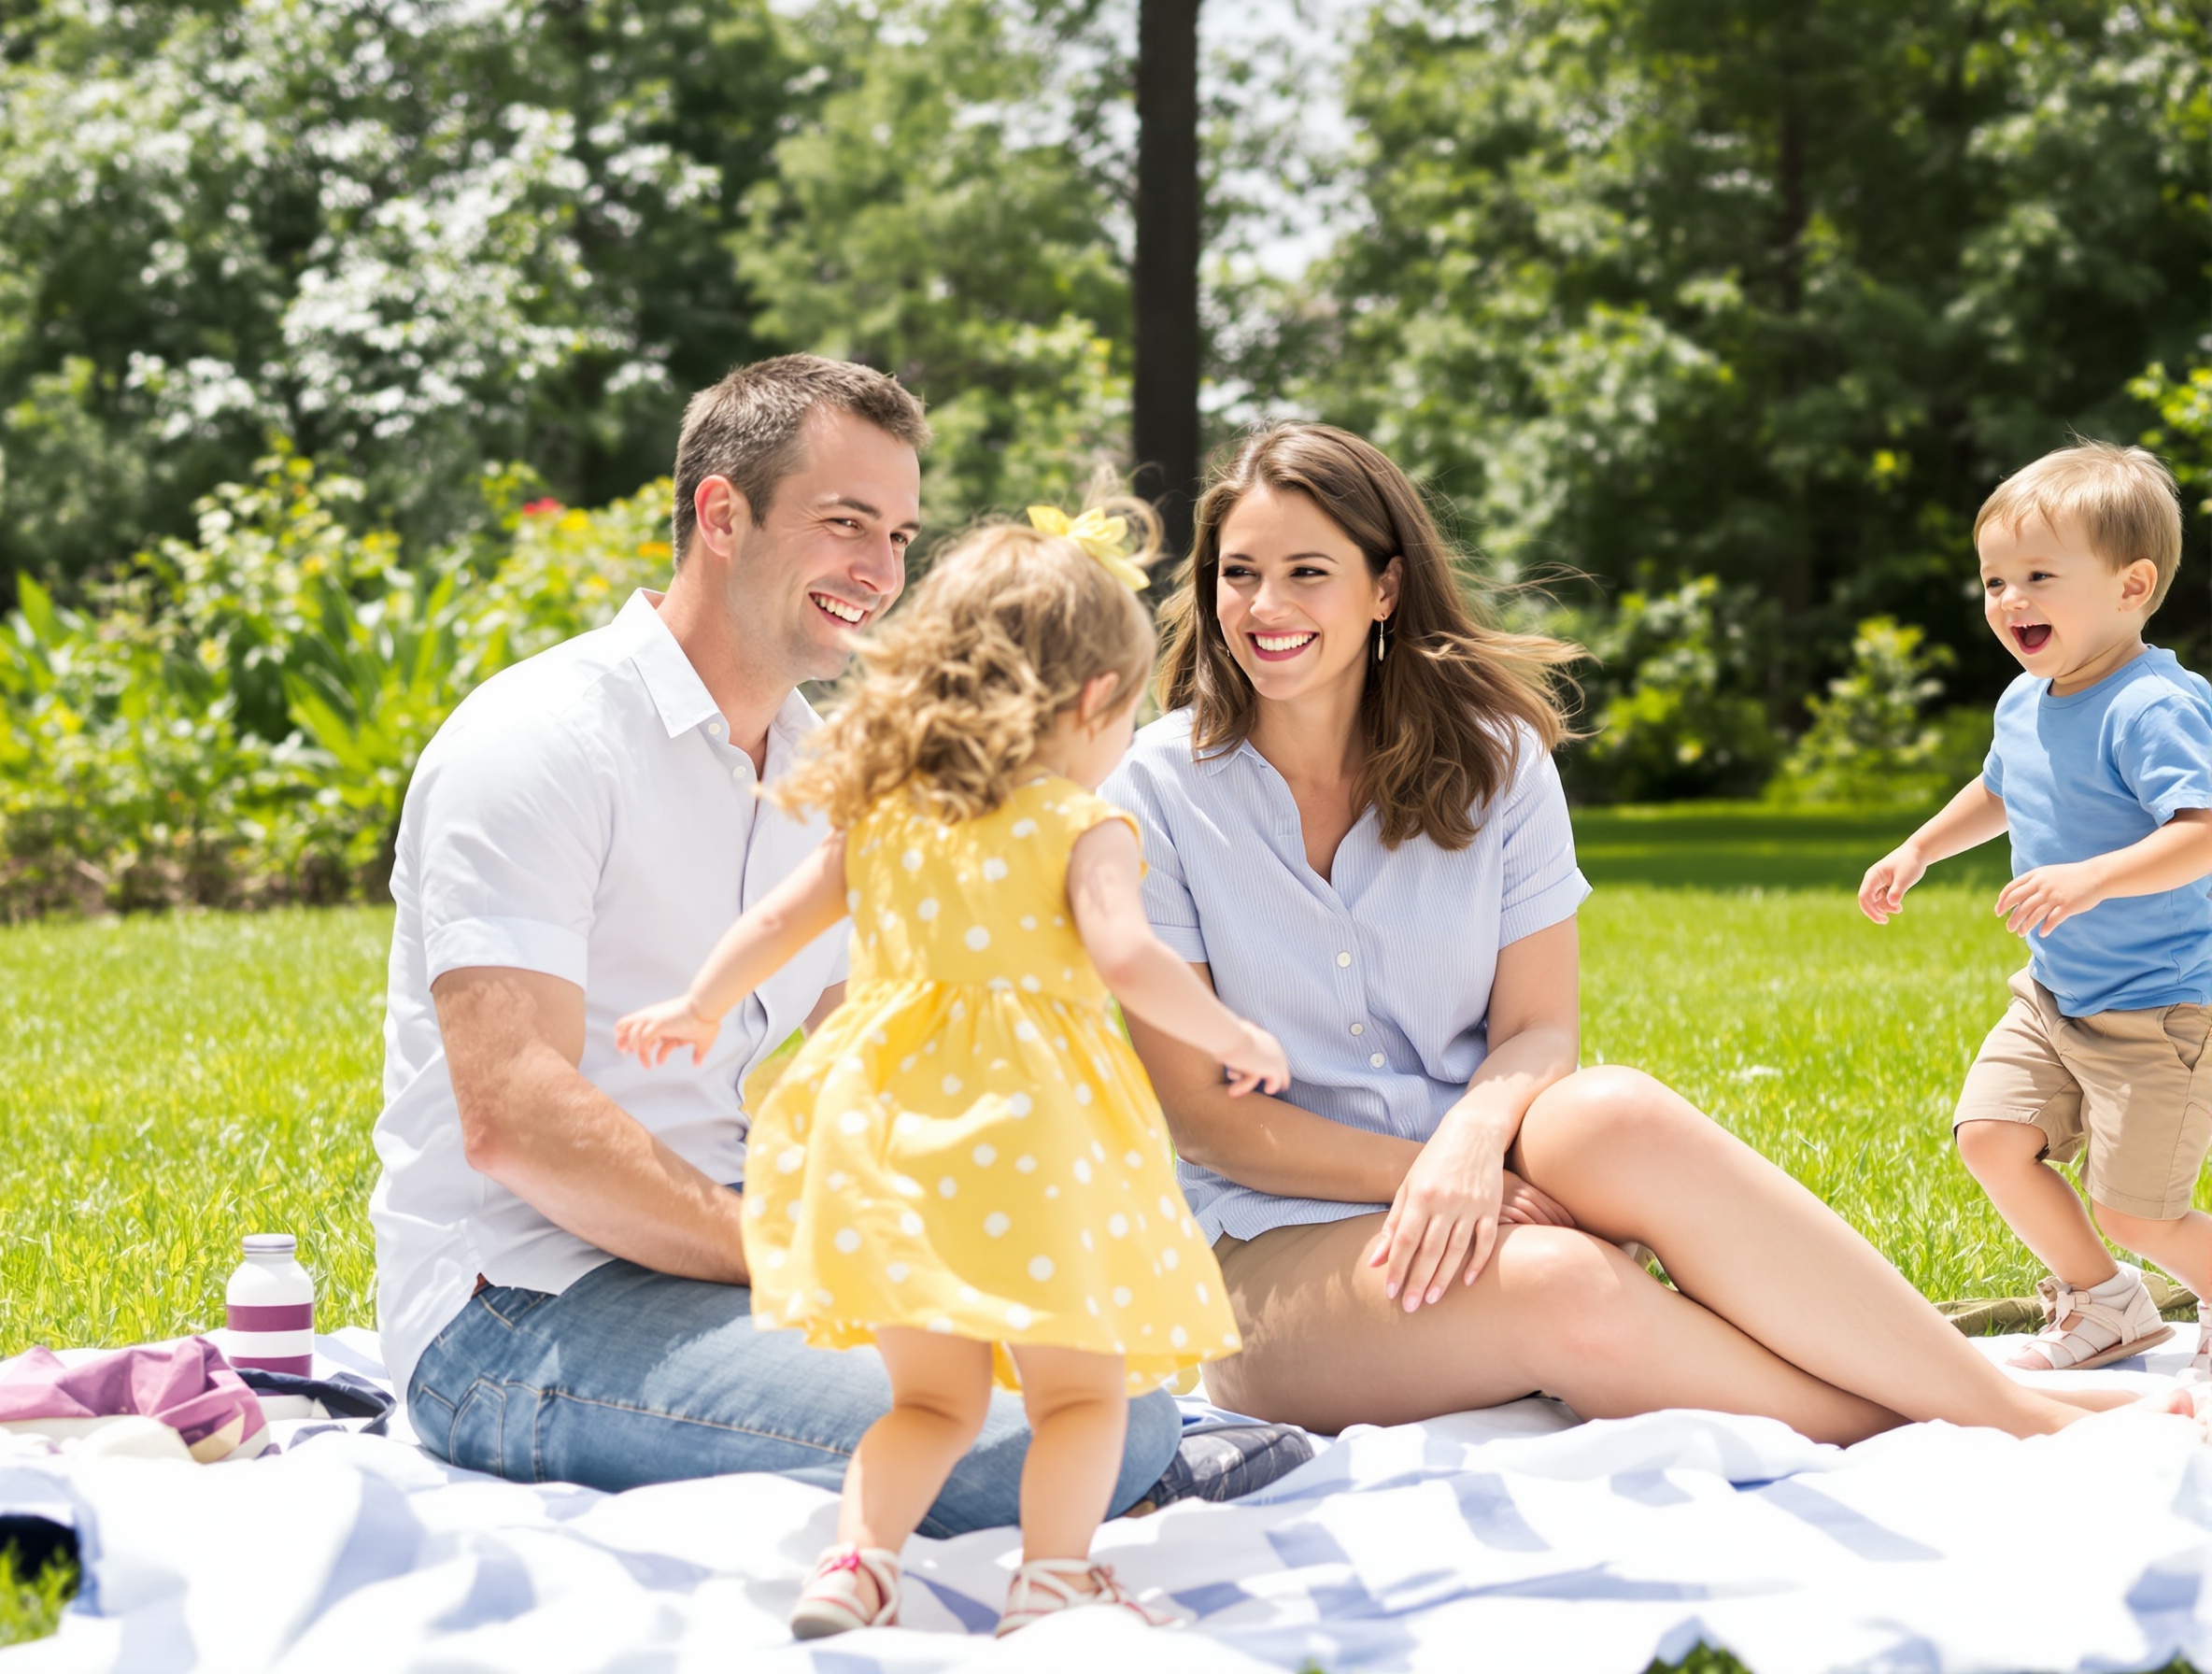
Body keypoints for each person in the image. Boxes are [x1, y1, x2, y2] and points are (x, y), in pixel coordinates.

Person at [1105, 419, 2184, 1445]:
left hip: (1491, 1170)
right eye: (1236, 572)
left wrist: (1472, 1145)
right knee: (1567, 1280)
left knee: (1612, 1110)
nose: (1263, 603)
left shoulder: (1494, 758)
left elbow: (1537, 1030)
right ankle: (1991, 1420)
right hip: (1273, 1249)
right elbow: (1206, 1120)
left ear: (1384, 586)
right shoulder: (1158, 784)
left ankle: (1976, 1400)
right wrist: (1422, 1170)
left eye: (1306, 570)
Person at [368, 356, 1202, 1530]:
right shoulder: (538, 741)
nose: (881, 571)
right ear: (722, 514)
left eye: (902, 535)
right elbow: (515, 1113)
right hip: (516, 1311)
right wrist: (805, 1254)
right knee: (1038, 1430)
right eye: (845, 523)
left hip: (715, 1250)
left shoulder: (833, 774)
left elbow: (894, 1046)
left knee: (1105, 1376)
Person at [616, 507, 1286, 1638]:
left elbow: (779, 915)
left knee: (930, 1397)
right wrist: (1231, 1035)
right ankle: (1052, 1577)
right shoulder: (1082, 823)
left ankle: (856, 1566)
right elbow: (1126, 956)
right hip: (1033, 1143)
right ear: (1088, 704)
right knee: (1081, 1392)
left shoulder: (886, 817)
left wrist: (699, 1004)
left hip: (891, 1140)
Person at [1861, 441, 2212, 1373]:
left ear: (2132, 585)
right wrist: (1919, 847)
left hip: (2159, 1007)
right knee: (1990, 1136)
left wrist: (2090, 877)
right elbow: (2001, 788)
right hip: (2053, 995)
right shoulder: (2025, 700)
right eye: (1994, 580)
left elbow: (2201, 829)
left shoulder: (2153, 706)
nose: (2009, 599)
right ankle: (2107, 1306)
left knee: (2138, 1209)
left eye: (2039, 577)